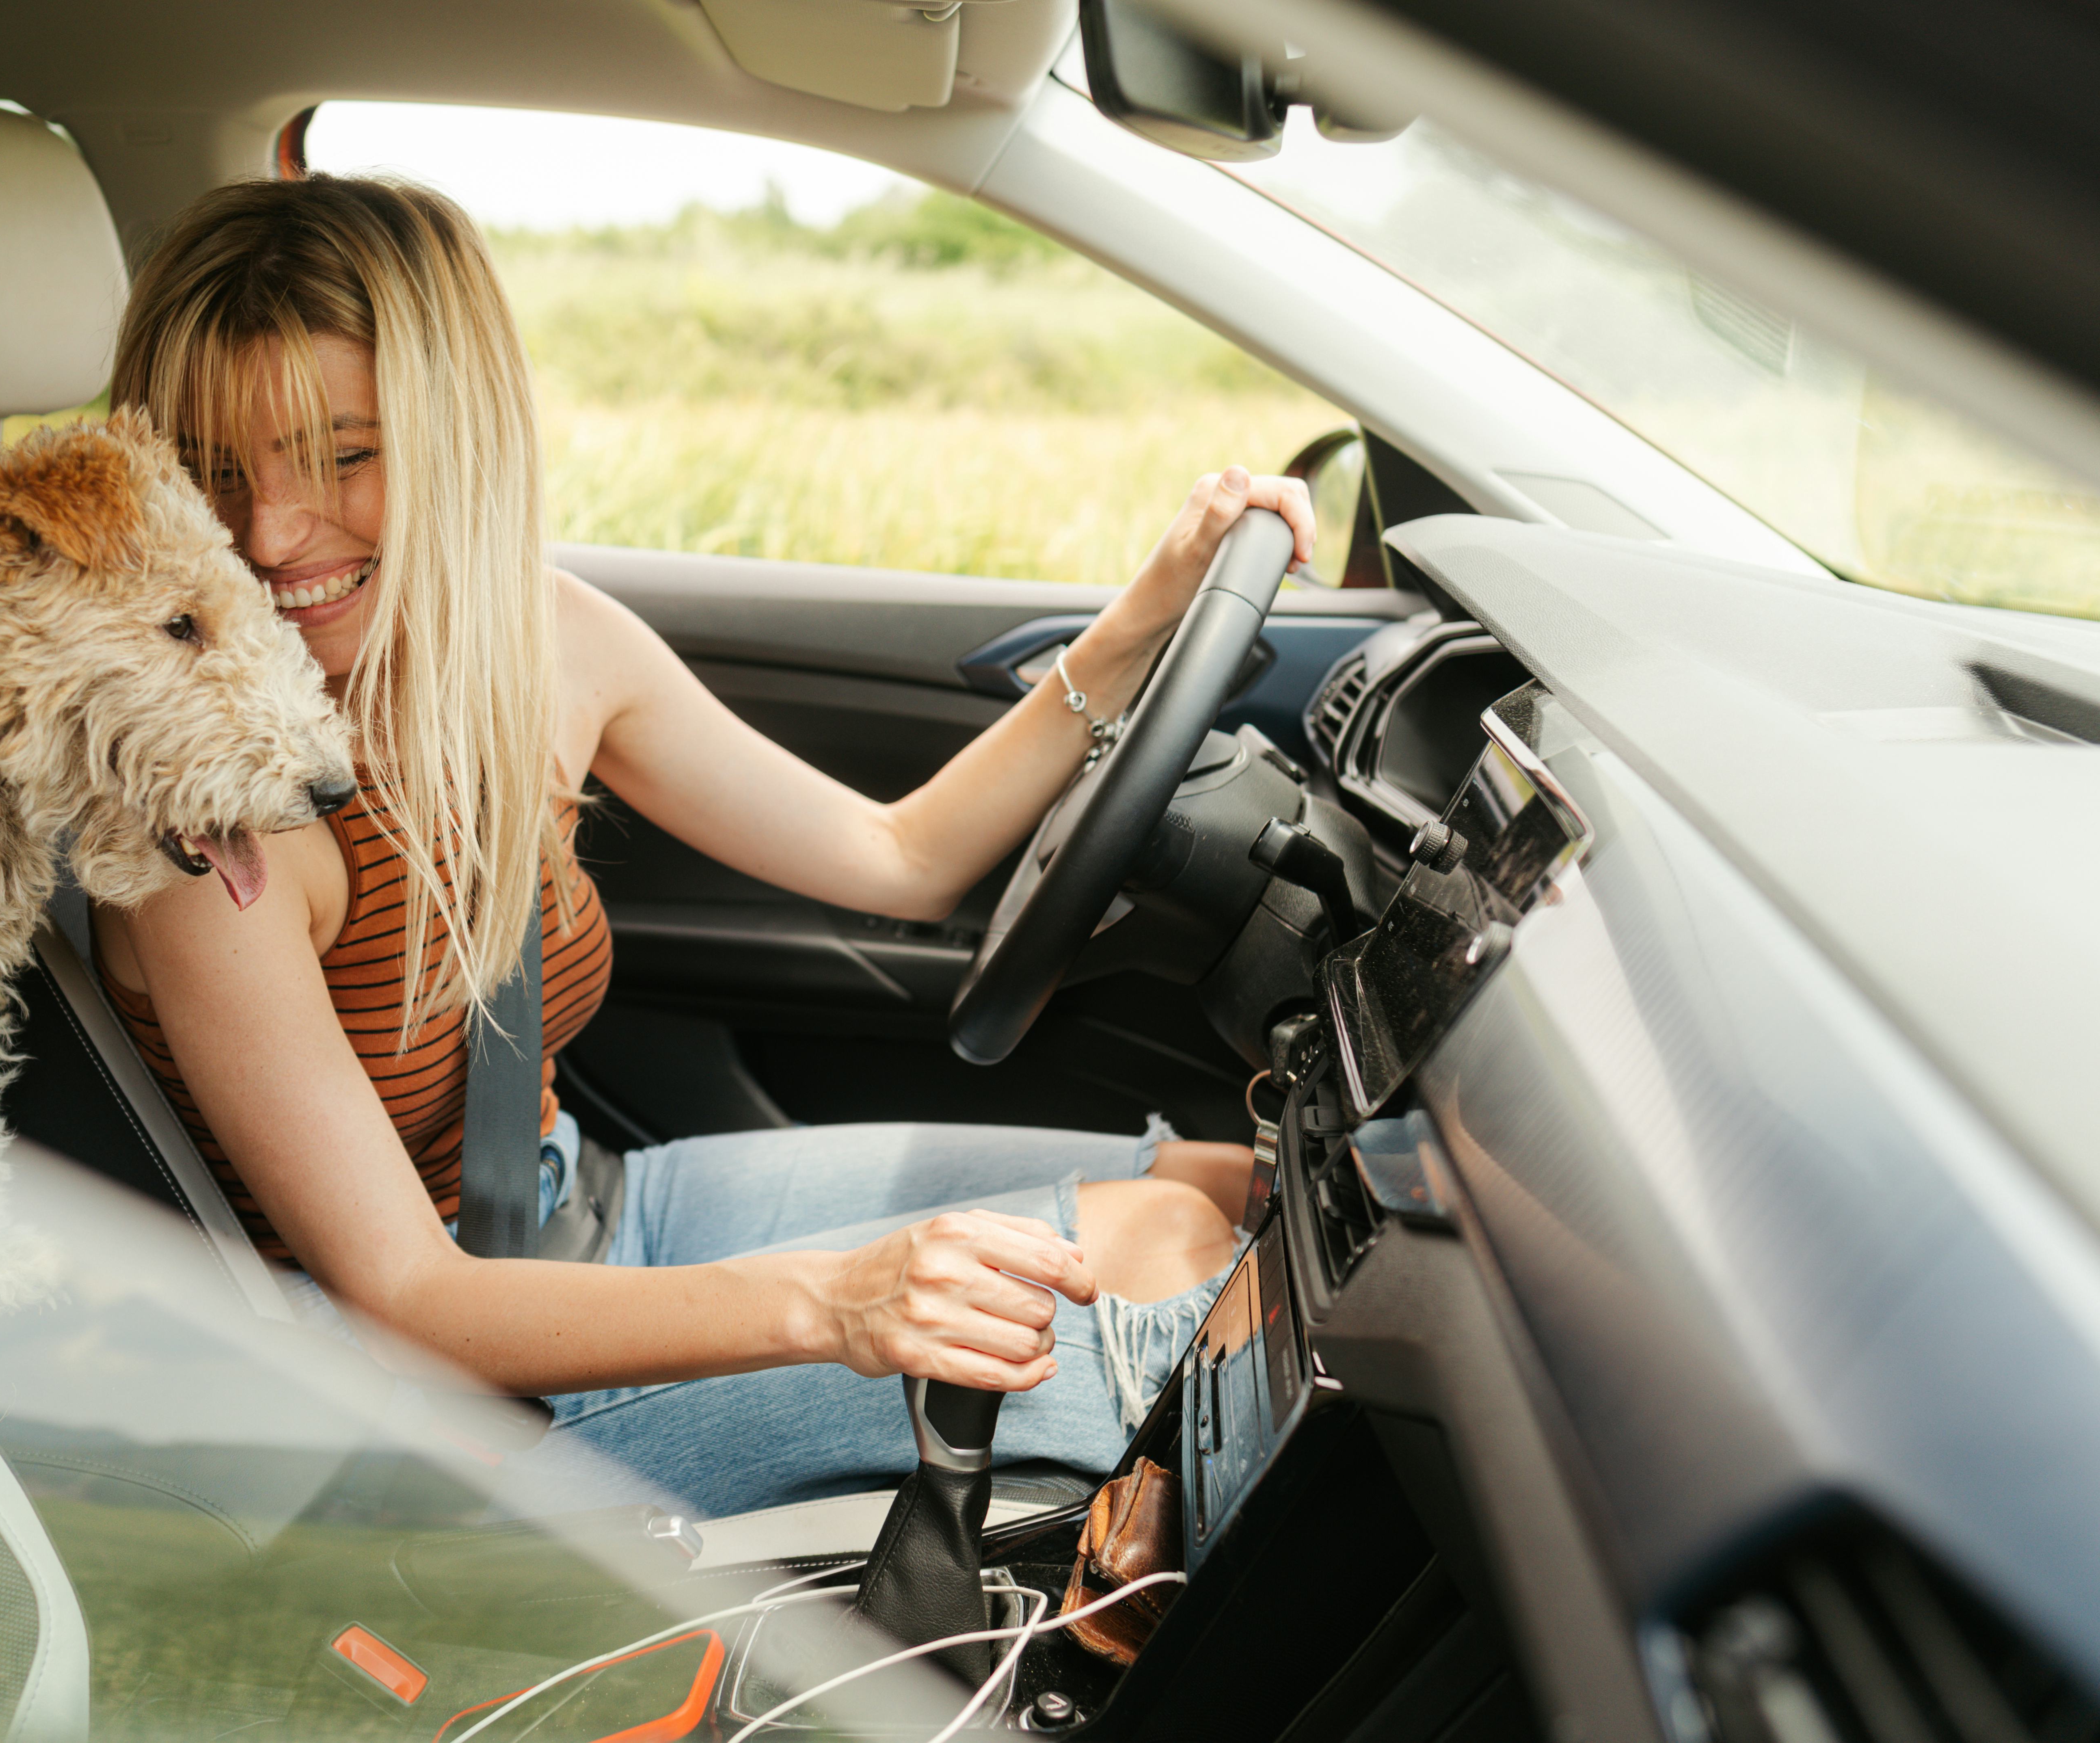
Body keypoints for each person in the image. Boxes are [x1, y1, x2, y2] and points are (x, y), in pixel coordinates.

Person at [91, 174, 1324, 1518]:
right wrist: (835, 1302)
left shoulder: (544, 644)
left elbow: (900, 855)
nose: (272, 535)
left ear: (459, 438)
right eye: (216, 473)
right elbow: (406, 1294)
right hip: (420, 1398)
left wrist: (1146, 613)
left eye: (343, 454)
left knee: (1244, 1188)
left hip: (590, 1215)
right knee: (1159, 1271)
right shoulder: (205, 826)